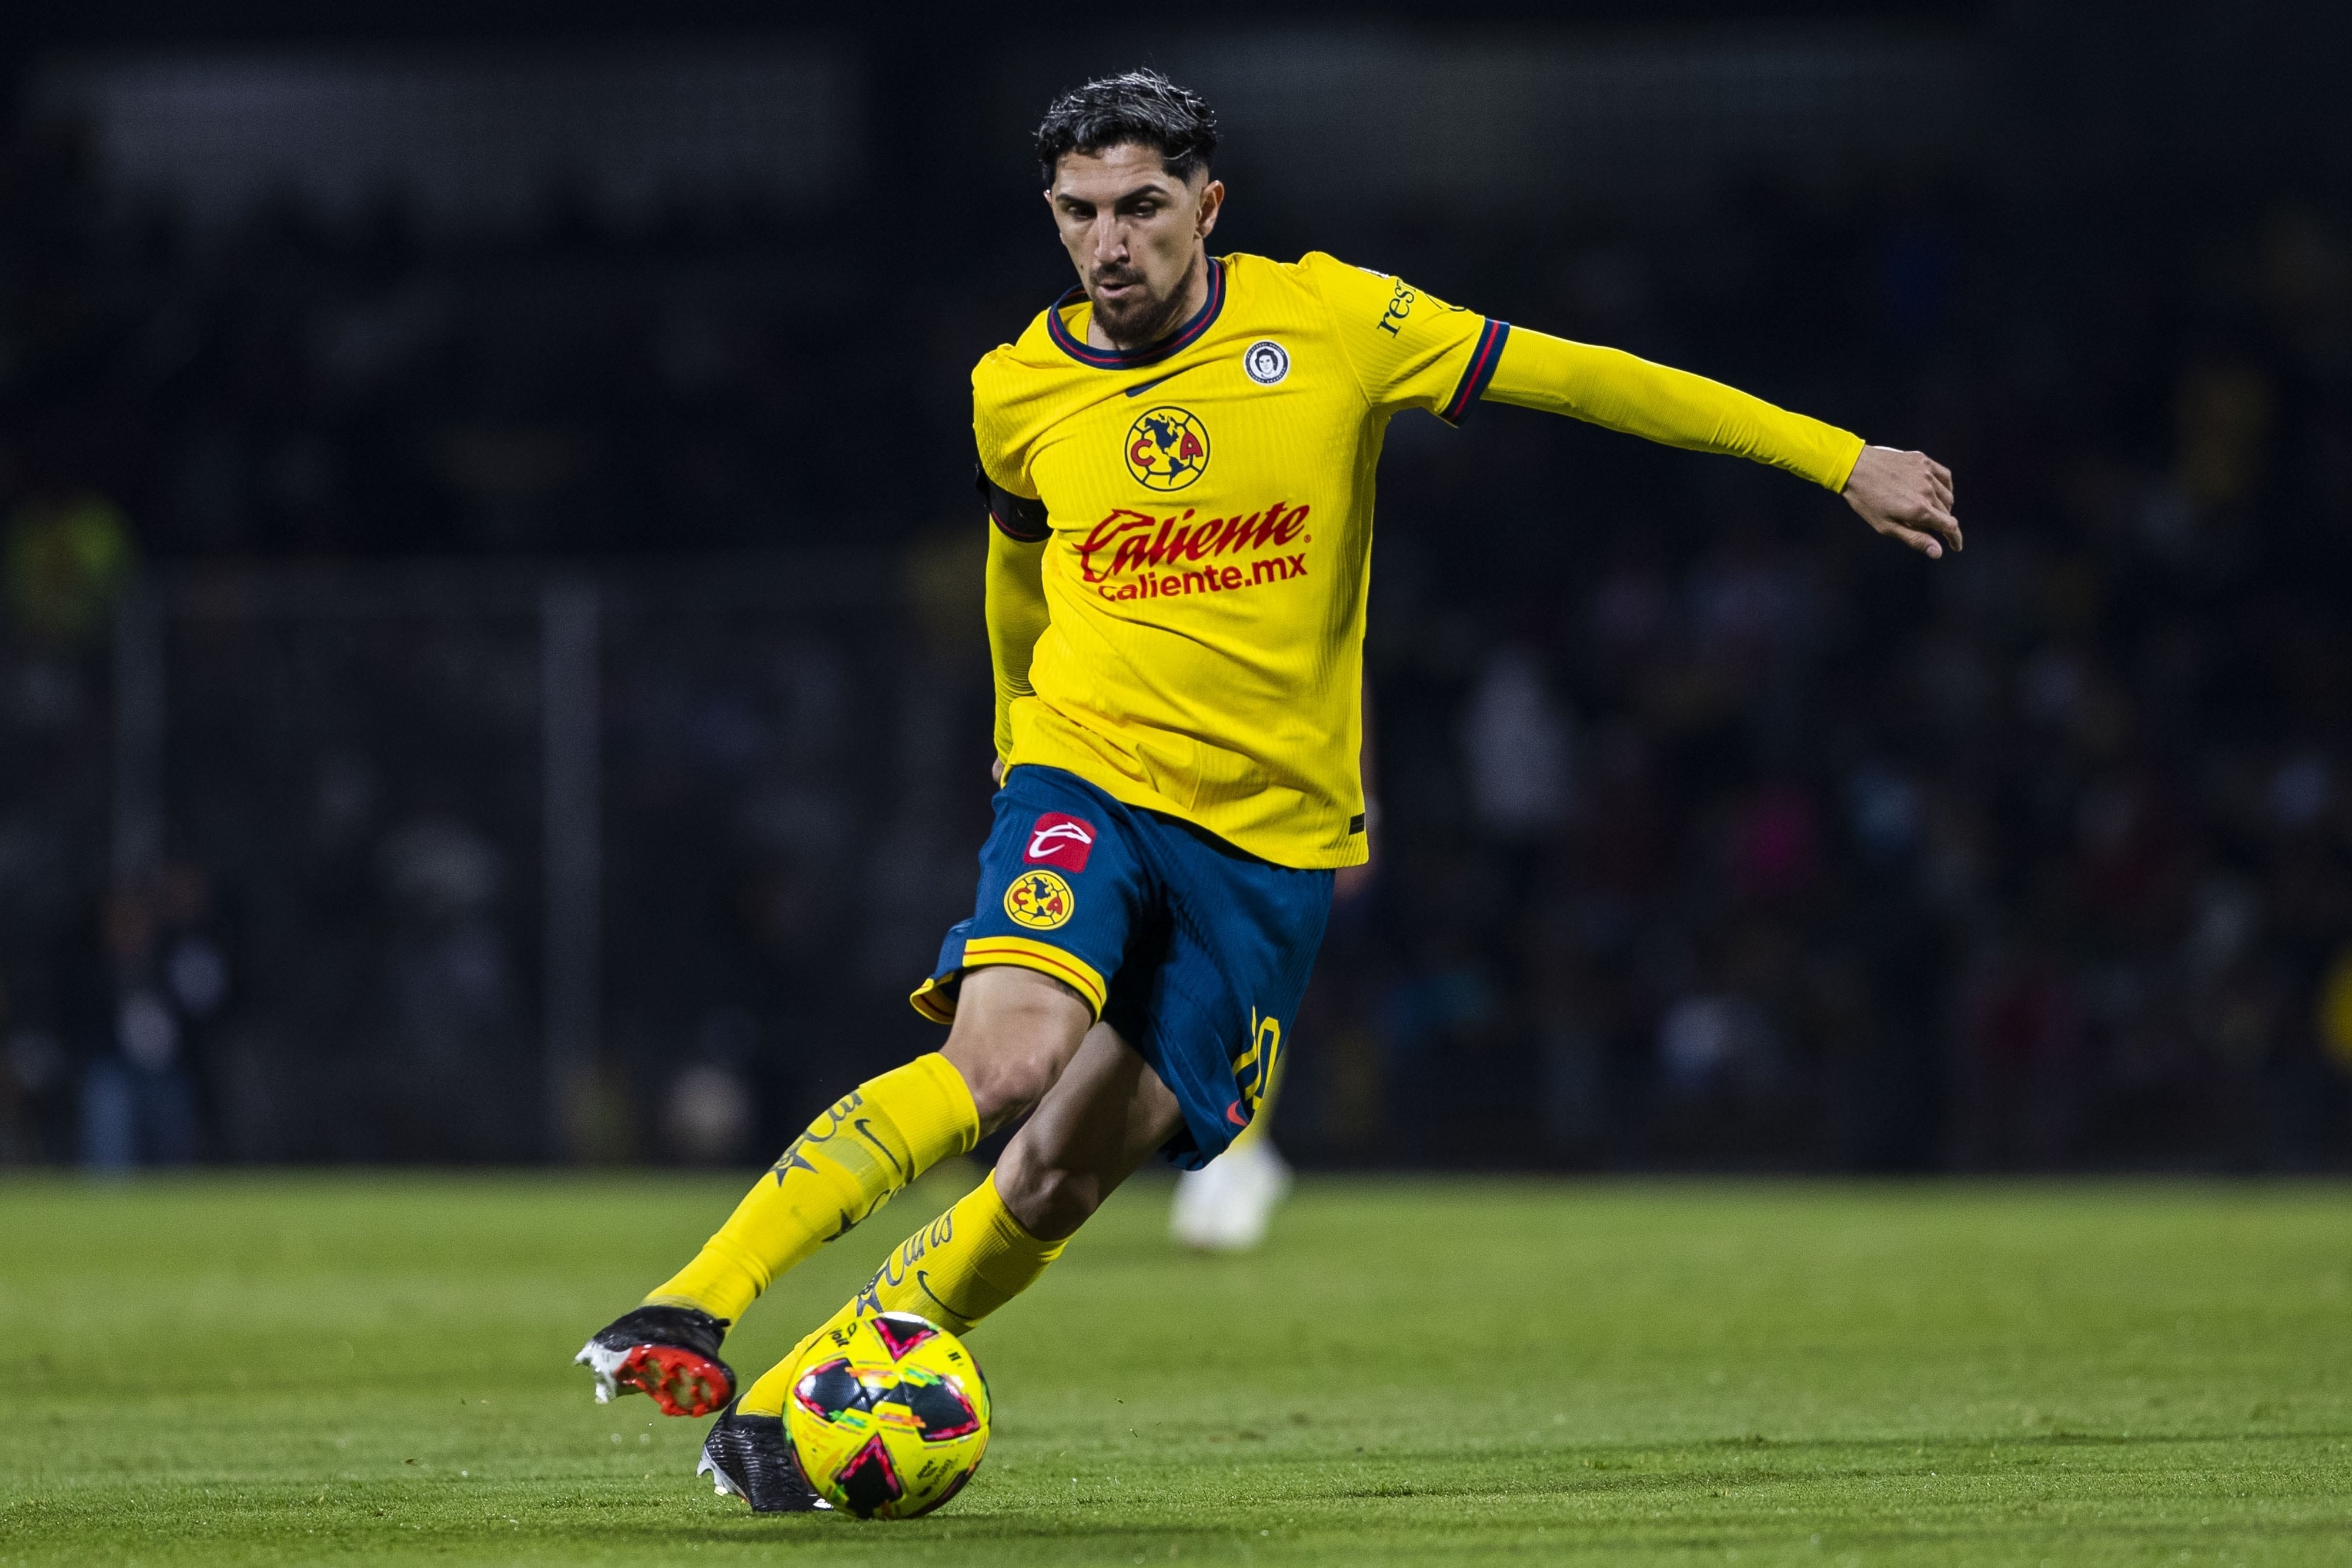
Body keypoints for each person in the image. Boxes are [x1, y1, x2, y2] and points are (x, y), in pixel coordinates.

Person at [576, 68, 1959, 1511]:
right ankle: (694, 1300)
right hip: (1087, 774)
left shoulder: (1334, 323)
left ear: (1208, 204)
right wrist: (1009, 729)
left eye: (1140, 208)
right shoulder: (1014, 388)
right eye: (1078, 214)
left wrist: (1837, 459)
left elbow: (1586, 377)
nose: (1108, 243)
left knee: (1056, 1178)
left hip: (1268, 842)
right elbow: (1013, 568)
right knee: (1006, 1057)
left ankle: (801, 1403)